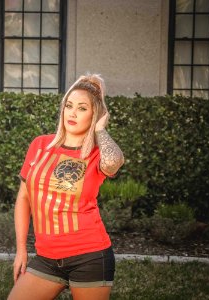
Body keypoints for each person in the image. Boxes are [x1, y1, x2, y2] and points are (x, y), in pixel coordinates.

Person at [8, 74, 124, 300]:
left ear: (94, 115)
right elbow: (24, 198)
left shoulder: (96, 155)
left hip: (89, 255)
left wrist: (100, 130)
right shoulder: (40, 145)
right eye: (69, 106)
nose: (72, 112)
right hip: (46, 258)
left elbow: (115, 162)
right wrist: (21, 249)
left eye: (82, 108)